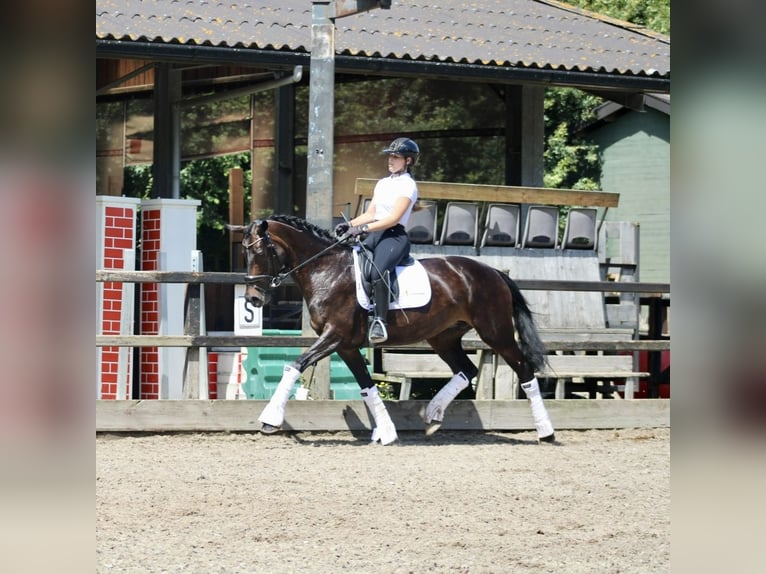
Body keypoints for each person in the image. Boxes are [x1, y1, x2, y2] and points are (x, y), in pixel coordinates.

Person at [335, 137, 420, 344]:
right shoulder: (383, 183)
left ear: (408, 161)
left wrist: (362, 228)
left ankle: (380, 322)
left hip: (394, 236)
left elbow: (393, 218)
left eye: (395, 157)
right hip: (374, 234)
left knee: (377, 271)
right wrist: (350, 224)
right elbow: (371, 212)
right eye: (389, 156)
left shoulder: (408, 186)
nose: (390, 160)